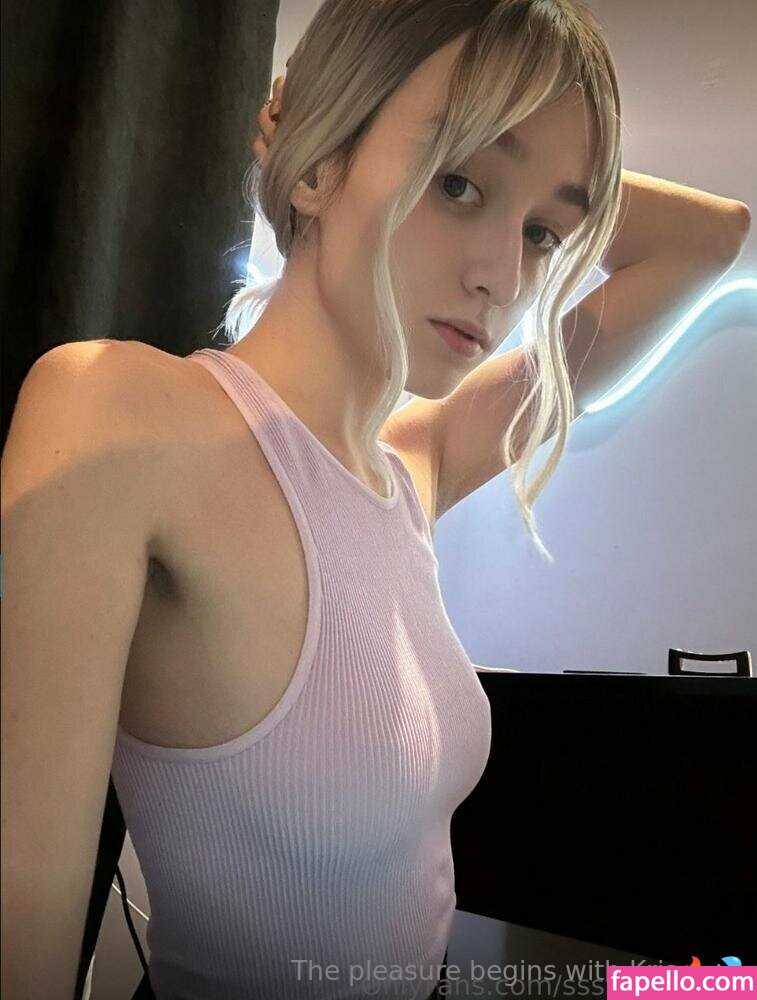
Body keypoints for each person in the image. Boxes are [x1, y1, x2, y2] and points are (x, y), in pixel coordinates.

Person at [2, 1, 626, 997]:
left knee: (719, 984)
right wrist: (313, 126)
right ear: (318, 164)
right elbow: (19, 948)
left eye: (543, 232)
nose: (502, 276)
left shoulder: (410, 465)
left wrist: (544, 125)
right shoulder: (120, 413)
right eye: (458, 181)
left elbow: (712, 243)